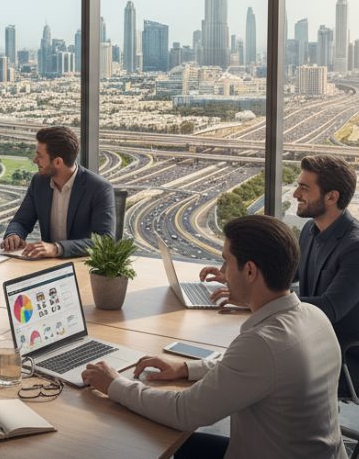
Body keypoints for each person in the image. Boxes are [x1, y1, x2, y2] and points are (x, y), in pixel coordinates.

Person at [82, 215, 346, 459]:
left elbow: (183, 412)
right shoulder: (313, 316)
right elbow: (248, 369)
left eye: (226, 261)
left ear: (250, 271)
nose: (222, 271)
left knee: (138, 444)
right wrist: (186, 368)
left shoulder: (263, 344)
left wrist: (115, 385)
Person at [200, 154, 359, 383]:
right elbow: (280, 275)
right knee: (240, 358)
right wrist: (235, 277)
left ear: (332, 196)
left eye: (304, 188)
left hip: (335, 358)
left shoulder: (355, 247)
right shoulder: (310, 232)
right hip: (301, 337)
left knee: (244, 364)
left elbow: (329, 309)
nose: (295, 194)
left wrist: (252, 302)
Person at [1, 126, 114, 258]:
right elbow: (21, 221)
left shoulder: (99, 188)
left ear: (58, 162)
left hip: (83, 266)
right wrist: (14, 235)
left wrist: (57, 248)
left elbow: (105, 241)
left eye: (40, 156)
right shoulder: (39, 182)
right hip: (47, 266)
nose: (34, 160)